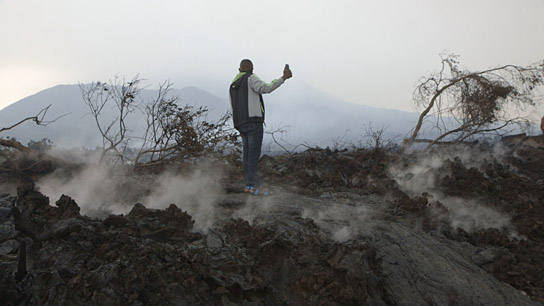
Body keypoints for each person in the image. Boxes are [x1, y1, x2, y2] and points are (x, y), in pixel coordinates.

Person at [229, 59, 292, 195]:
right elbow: (266, 88)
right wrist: (283, 78)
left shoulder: (233, 84)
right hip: (253, 122)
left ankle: (248, 186)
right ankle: (255, 187)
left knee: (246, 156)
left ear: (239, 69)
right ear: (251, 69)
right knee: (253, 156)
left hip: (240, 123)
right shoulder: (250, 78)